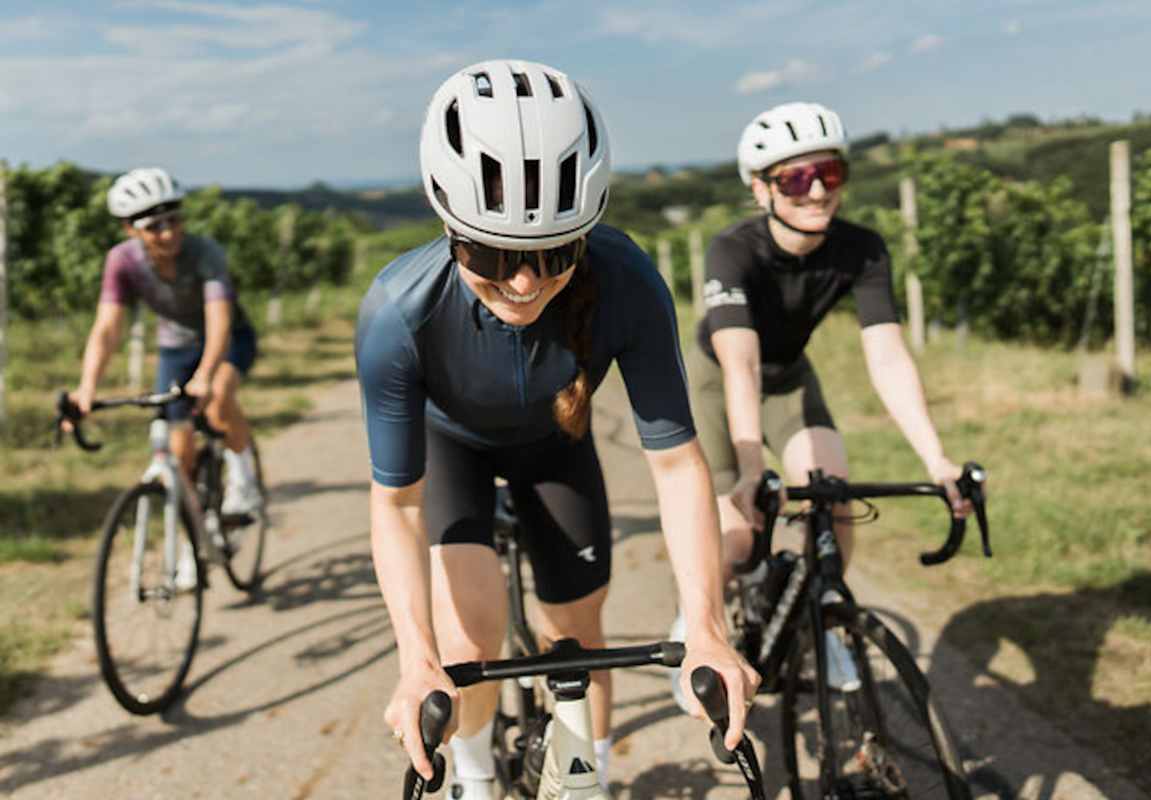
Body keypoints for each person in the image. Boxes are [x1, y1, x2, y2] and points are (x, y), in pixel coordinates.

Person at [357, 59, 758, 798]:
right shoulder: (398, 312)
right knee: (465, 640)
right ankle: (474, 777)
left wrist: (706, 626)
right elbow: (398, 504)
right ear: (449, 226)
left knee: (576, 641)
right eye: (491, 253)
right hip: (455, 453)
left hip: (556, 449)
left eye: (556, 253)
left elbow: (677, 466)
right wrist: (415, 659)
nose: (524, 283)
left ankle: (589, 781)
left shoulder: (628, 282)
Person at [671, 102, 977, 700]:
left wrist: (937, 460)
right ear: (761, 189)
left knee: (834, 492)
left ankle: (828, 618)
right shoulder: (732, 251)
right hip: (718, 379)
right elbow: (741, 364)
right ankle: (696, 624)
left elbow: (886, 355)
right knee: (736, 539)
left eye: (828, 174)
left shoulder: (861, 248)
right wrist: (754, 468)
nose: (815, 192)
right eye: (794, 178)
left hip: (790, 379)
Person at [70, 167, 262, 574]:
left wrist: (207, 375)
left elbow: (219, 320)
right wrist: (87, 388)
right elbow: (107, 328)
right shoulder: (122, 262)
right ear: (130, 229)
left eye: (175, 219)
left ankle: (244, 481)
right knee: (179, 452)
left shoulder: (205, 252)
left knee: (220, 398)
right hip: (175, 347)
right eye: (155, 225)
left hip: (227, 339)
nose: (169, 232)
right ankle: (195, 541)